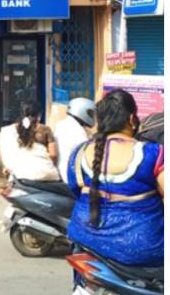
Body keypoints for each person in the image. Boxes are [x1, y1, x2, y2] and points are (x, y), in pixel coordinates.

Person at [66, 89, 163, 267]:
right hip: (142, 252)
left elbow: (74, 190)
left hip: (85, 243)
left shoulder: (79, 153)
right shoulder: (154, 154)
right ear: (132, 119)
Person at [0, 100, 61, 181]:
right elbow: (53, 155)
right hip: (46, 175)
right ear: (39, 115)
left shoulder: (8, 131)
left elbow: (4, 154)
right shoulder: (45, 130)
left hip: (19, 175)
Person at [54, 98, 96, 182]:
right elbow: (87, 155)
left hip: (60, 174)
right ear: (81, 111)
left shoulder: (61, 124)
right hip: (72, 177)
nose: (92, 117)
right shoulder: (78, 131)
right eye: (90, 113)